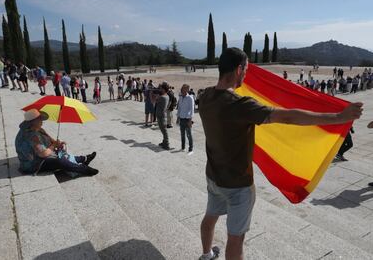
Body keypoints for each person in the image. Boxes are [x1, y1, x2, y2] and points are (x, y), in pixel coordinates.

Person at [198, 48, 363, 260]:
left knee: (210, 216)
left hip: (213, 176)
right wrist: (338, 117)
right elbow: (287, 117)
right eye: (246, 70)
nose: (247, 74)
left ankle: (206, 254)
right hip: (237, 185)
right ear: (239, 70)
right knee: (235, 238)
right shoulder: (240, 105)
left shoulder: (205, 97)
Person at [15, 109, 98, 176]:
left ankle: (84, 159)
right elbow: (43, 154)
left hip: (40, 155)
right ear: (33, 122)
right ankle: (83, 169)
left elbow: (51, 140)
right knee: (59, 161)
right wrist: (54, 145)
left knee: (60, 152)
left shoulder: (37, 129)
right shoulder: (30, 135)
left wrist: (57, 143)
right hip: (33, 165)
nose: (42, 122)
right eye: (40, 120)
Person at [177, 84, 194, 155]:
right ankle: (183, 147)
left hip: (187, 119)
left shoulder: (190, 98)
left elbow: (191, 109)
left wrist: (190, 120)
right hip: (181, 118)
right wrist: (178, 117)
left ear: (187, 90)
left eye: (184, 89)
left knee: (189, 135)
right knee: (182, 134)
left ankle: (191, 149)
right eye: (182, 88)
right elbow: (179, 108)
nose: (182, 90)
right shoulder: (180, 97)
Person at [155, 82, 170, 150]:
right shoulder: (167, 96)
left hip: (161, 116)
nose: (160, 89)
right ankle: (164, 142)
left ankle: (166, 144)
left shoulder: (162, 97)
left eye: (161, 88)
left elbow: (153, 101)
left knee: (164, 130)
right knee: (163, 130)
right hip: (162, 115)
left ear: (164, 89)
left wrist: (151, 95)